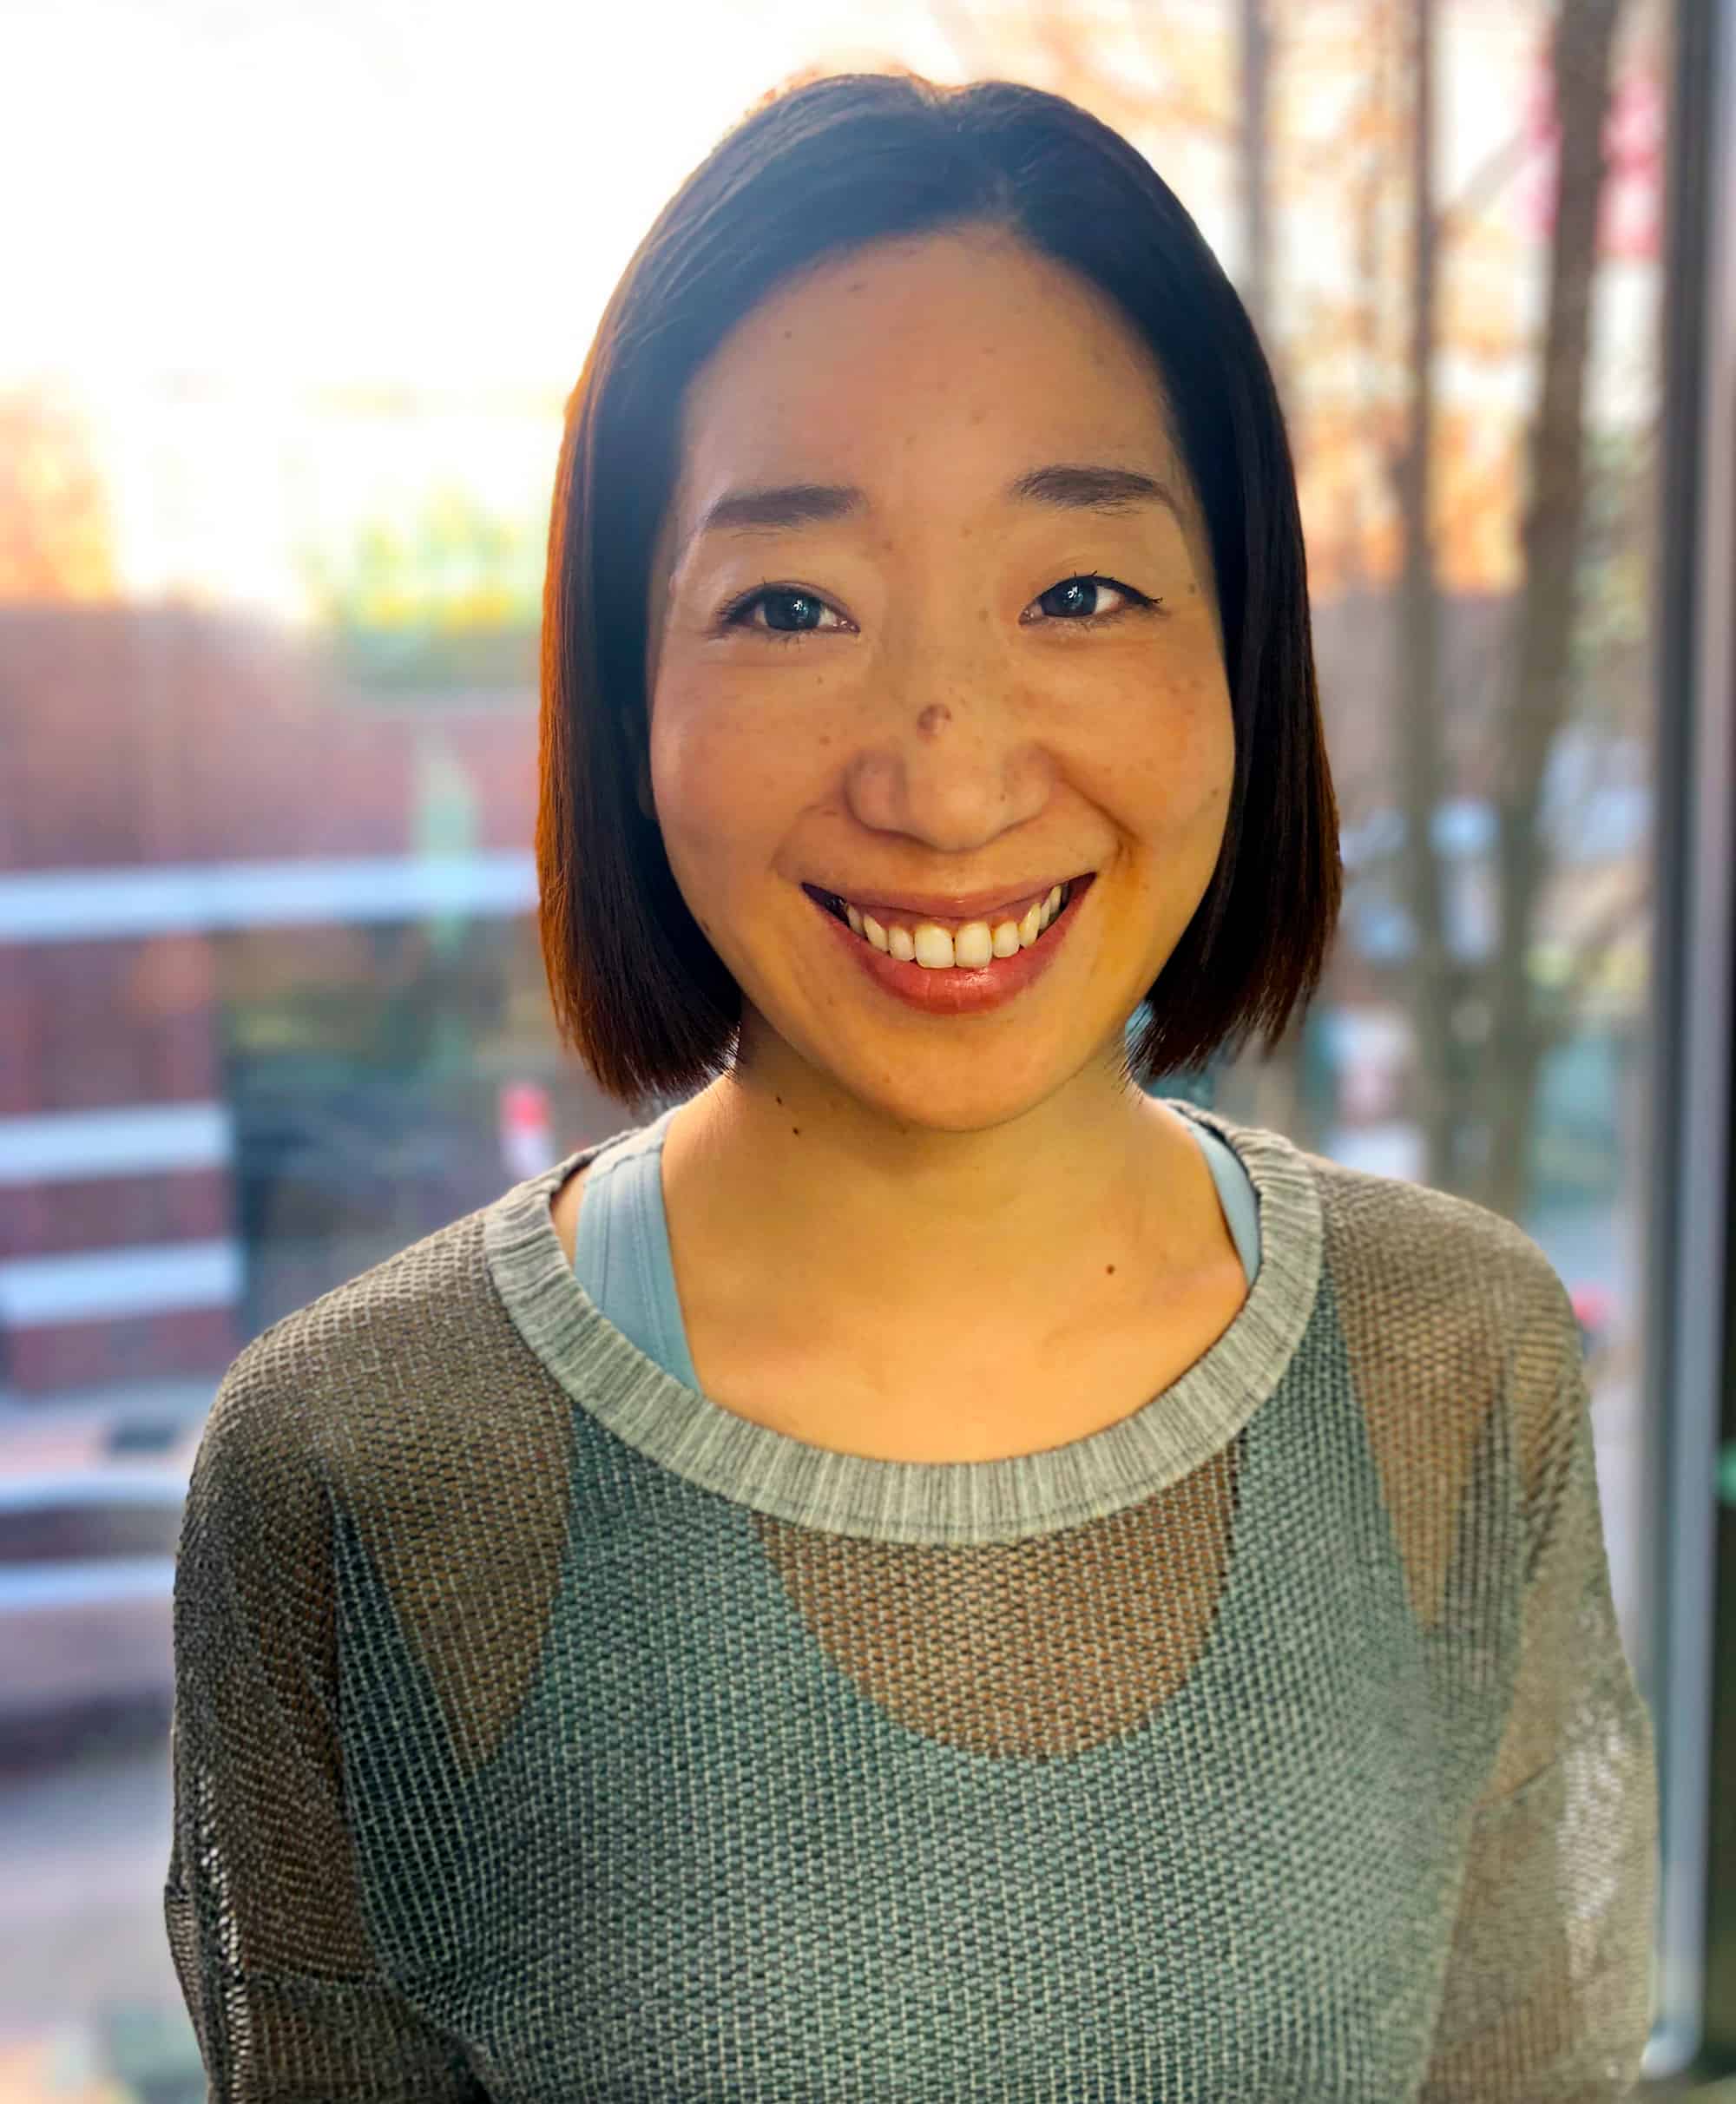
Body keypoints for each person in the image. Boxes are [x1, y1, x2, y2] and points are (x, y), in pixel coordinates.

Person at [165, 69, 1659, 2101]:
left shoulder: (1452, 1361)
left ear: (1246, 655)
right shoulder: (364, 1464)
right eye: (787, 605)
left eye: (1080, 593)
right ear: (629, 690)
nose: (945, 780)